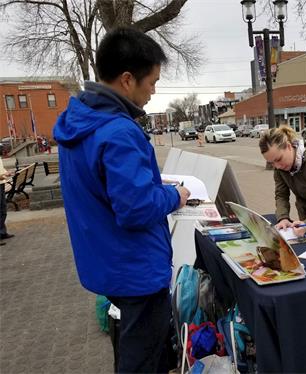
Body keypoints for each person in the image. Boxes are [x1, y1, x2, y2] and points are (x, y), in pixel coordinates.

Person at [53, 27, 190, 373]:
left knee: (138, 351)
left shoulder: (78, 122)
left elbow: (104, 191)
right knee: (140, 359)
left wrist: (151, 186)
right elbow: (136, 209)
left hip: (108, 262)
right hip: (136, 270)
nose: (154, 91)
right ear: (128, 80)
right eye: (153, 82)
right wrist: (175, 195)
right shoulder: (118, 131)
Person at [0, 158, 14, 245]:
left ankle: (2, 232)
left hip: (1, 183)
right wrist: (3, 175)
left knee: (3, 209)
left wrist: (6, 173)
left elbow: (1, 169)